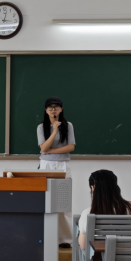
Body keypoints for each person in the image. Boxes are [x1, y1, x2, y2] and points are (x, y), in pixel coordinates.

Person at [37, 96, 76, 247]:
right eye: (50, 107)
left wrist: (51, 150)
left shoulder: (68, 125)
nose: (53, 110)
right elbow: (43, 148)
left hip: (62, 166)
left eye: (56, 107)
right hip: (46, 166)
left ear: (61, 109)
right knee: (45, 202)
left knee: (63, 204)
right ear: (46, 110)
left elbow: (71, 147)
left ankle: (65, 239)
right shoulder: (41, 127)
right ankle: (45, 236)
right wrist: (54, 131)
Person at [78, 170, 131, 250]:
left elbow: (84, 245)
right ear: (116, 187)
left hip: (102, 257)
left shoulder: (88, 213)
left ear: (93, 188)